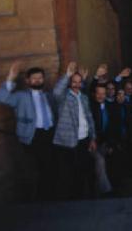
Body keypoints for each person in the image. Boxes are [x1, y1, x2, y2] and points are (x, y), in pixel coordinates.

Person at [0, 62, 56, 200]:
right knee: (38, 168)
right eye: (34, 78)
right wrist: (10, 78)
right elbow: (2, 98)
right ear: (28, 80)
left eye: (40, 78)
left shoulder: (48, 95)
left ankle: (50, 197)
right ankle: (40, 200)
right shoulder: (21, 96)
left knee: (51, 166)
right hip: (33, 135)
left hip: (50, 133)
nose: (37, 80)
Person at [53, 62, 96, 199]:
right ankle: (72, 202)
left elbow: (89, 118)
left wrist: (93, 138)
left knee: (84, 170)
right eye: (74, 81)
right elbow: (55, 92)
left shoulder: (83, 97)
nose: (76, 84)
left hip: (84, 139)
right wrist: (67, 74)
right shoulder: (63, 97)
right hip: (67, 142)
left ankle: (83, 199)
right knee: (68, 174)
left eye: (79, 82)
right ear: (70, 82)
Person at [90, 84, 119, 195]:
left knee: (114, 155)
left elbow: (112, 128)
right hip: (91, 143)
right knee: (100, 160)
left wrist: (111, 145)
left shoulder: (110, 107)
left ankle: (114, 185)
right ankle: (106, 191)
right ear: (94, 94)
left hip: (105, 143)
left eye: (103, 93)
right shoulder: (90, 107)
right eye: (98, 93)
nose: (101, 96)